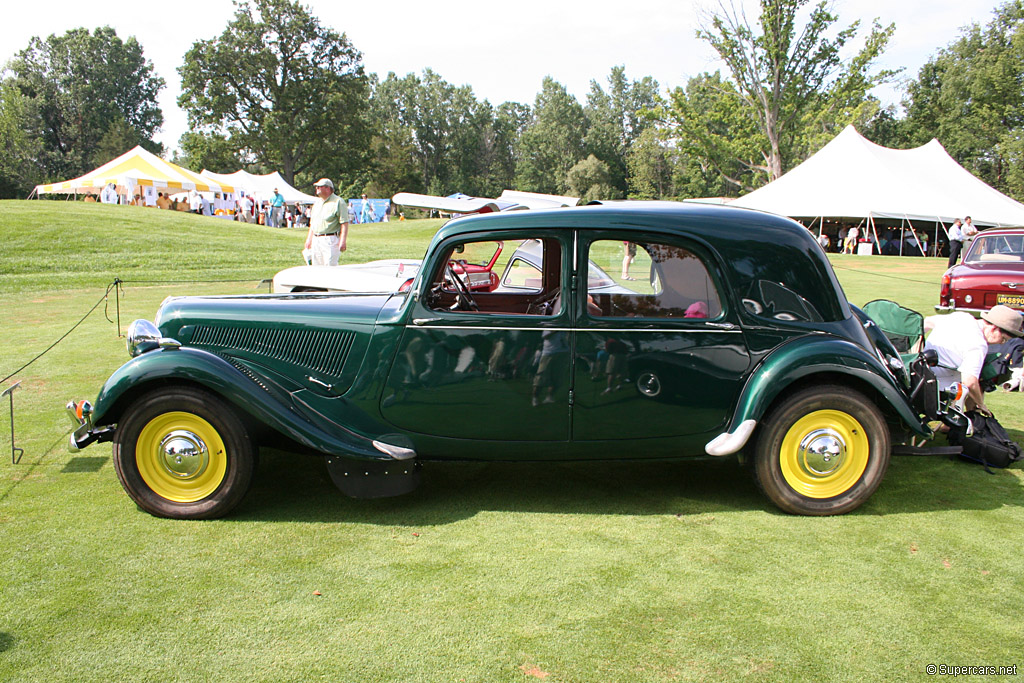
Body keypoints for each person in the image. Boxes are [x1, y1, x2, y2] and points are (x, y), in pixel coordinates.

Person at [924, 305, 1024, 414]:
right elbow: (970, 382)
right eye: (1003, 339)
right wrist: (981, 405)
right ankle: (969, 414)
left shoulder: (961, 317)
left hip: (920, 373)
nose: (1002, 343)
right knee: (980, 378)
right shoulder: (978, 345)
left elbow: (927, 322)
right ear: (994, 328)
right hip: (940, 388)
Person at [304, 178, 349, 266]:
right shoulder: (317, 203)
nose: (317, 188)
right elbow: (313, 224)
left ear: (328, 188)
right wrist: (309, 239)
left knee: (330, 266)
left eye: (319, 187)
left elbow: (344, 223)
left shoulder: (338, 202)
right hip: (316, 239)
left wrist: (343, 240)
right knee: (316, 266)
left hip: (330, 239)